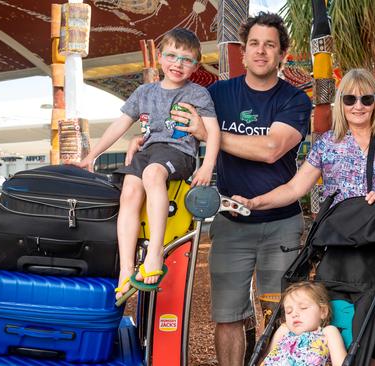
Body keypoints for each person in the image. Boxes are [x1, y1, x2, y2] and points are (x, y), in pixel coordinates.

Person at [128, 12, 313, 365]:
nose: (261, 52)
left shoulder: (295, 100)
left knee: (284, 315)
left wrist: (208, 133)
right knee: (227, 316)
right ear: (242, 52)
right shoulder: (215, 93)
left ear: (282, 55)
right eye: (254, 44)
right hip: (230, 220)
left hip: (282, 223)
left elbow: (272, 149)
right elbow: (172, 125)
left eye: (269, 45)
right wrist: (145, 139)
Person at [232, 68, 375, 365]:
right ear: (340, 103)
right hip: (339, 248)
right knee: (337, 321)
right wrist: (256, 202)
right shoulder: (327, 143)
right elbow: (295, 187)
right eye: (350, 98)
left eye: (366, 98)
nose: (358, 105)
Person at [77, 28, 220, 301]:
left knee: (153, 173)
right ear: (159, 57)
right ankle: (126, 268)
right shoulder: (144, 92)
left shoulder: (198, 93)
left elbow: (212, 132)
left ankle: (154, 254)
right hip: (149, 150)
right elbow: (120, 125)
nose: (178, 64)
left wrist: (207, 165)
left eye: (186, 59)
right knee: (129, 190)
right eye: (172, 56)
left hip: (178, 152)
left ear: (195, 65)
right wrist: (91, 155)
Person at [262, 281, 347, 366]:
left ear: (323, 311)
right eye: (289, 311)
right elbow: (264, 360)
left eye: (303, 308)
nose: (294, 314)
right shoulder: (284, 330)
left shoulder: (328, 332)